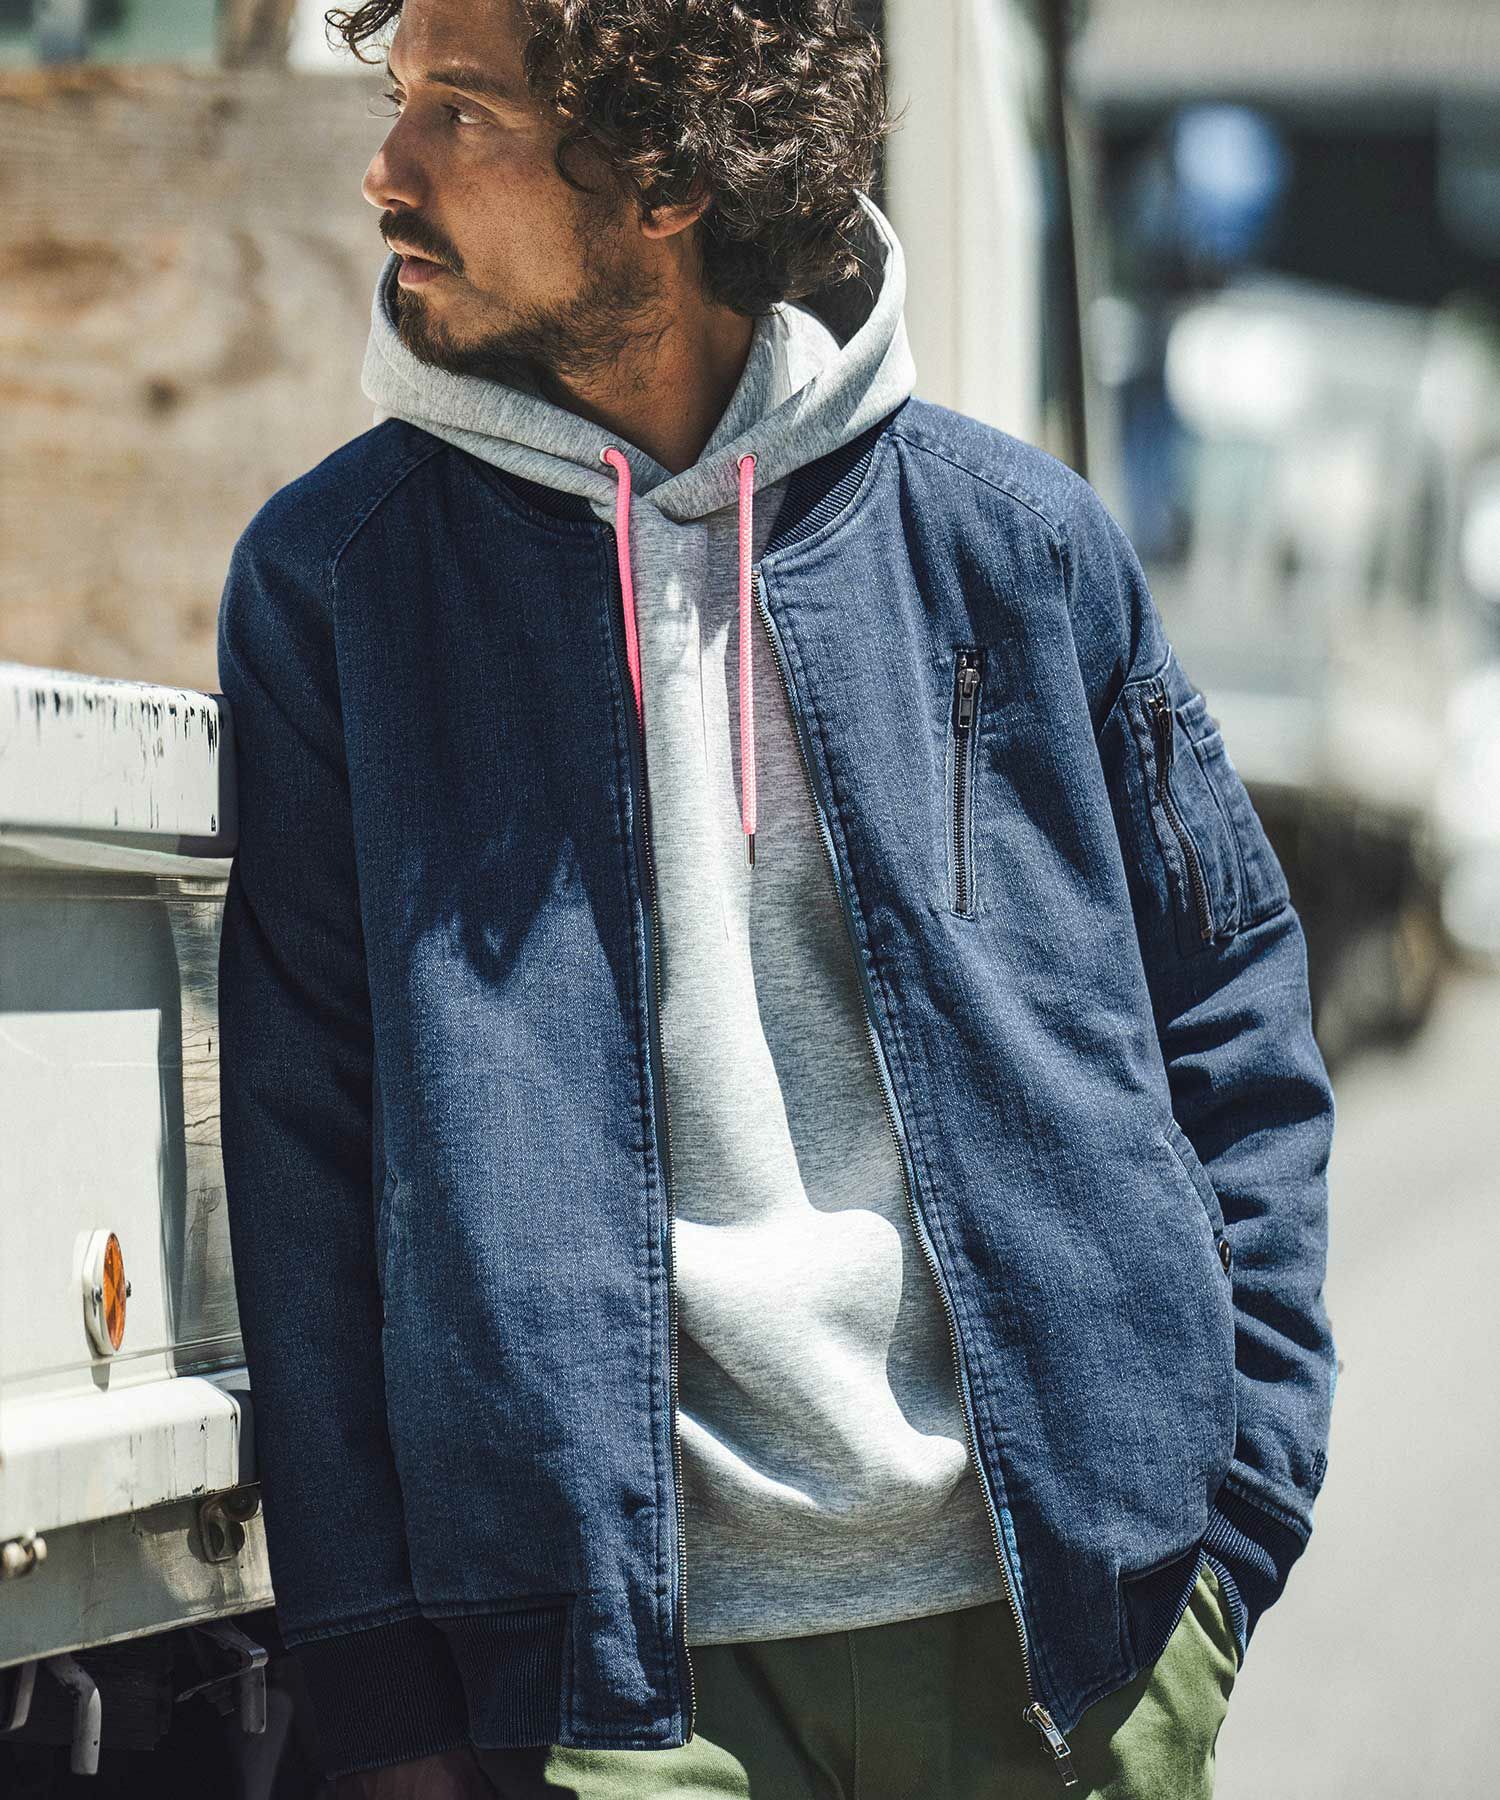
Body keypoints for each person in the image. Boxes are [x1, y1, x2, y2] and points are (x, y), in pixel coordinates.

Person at [213, 1, 1338, 1796]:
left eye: (461, 113)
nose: (386, 170)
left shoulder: (1014, 547)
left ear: (662, 172)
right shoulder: (335, 587)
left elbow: (1235, 1012)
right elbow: (303, 1152)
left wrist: (1231, 1529)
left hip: (1067, 1649)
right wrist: (382, 1694)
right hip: (613, 1703)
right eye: (396, 96)